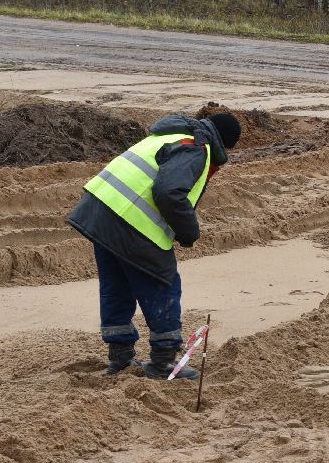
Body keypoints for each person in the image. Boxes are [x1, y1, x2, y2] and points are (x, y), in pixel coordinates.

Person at [68, 111, 241, 380]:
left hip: (100, 211)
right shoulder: (196, 147)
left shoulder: (170, 134)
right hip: (131, 221)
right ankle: (163, 361)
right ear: (225, 144)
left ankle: (120, 358)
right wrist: (188, 232)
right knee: (163, 284)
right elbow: (169, 193)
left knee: (117, 286)